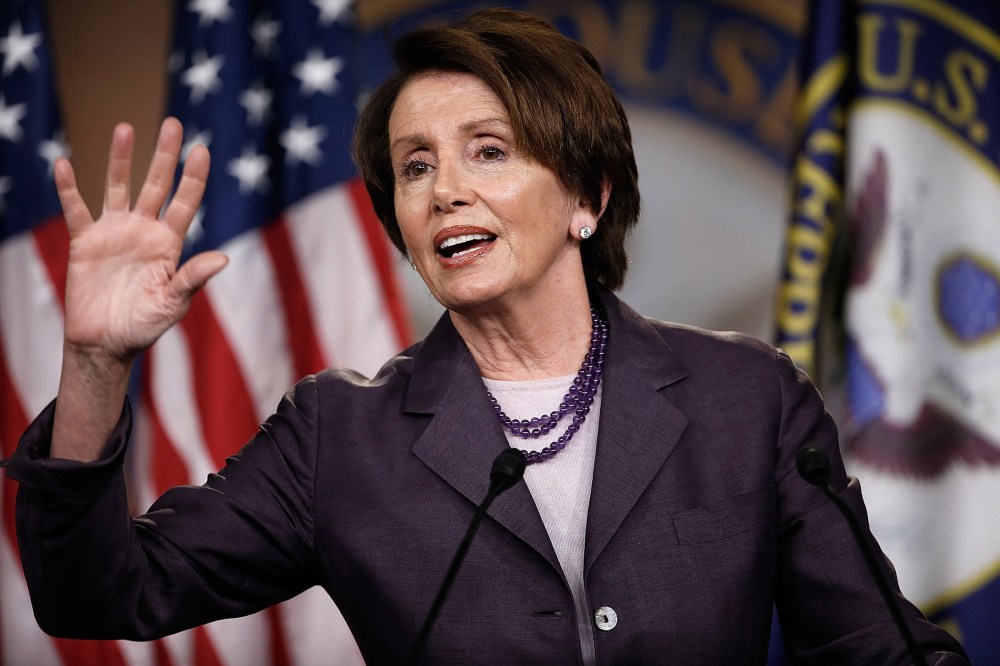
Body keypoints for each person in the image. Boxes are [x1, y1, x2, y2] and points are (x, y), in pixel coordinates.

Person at [4, 7, 969, 665]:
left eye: (489, 151)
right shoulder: (337, 436)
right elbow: (102, 595)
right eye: (414, 167)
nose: (444, 189)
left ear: (587, 199)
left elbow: (873, 646)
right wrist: (94, 364)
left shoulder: (744, 396)